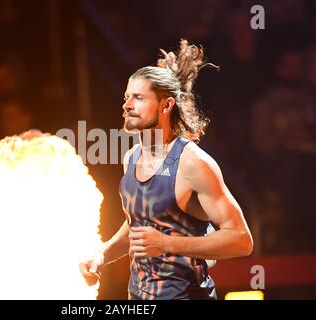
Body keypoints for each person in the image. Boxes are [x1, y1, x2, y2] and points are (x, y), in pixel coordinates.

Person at [79, 39, 254, 300]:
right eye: (126, 97)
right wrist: (104, 253)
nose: (127, 105)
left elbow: (241, 239)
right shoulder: (131, 158)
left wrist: (167, 244)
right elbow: (140, 225)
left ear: (166, 105)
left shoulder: (193, 163)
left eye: (138, 98)